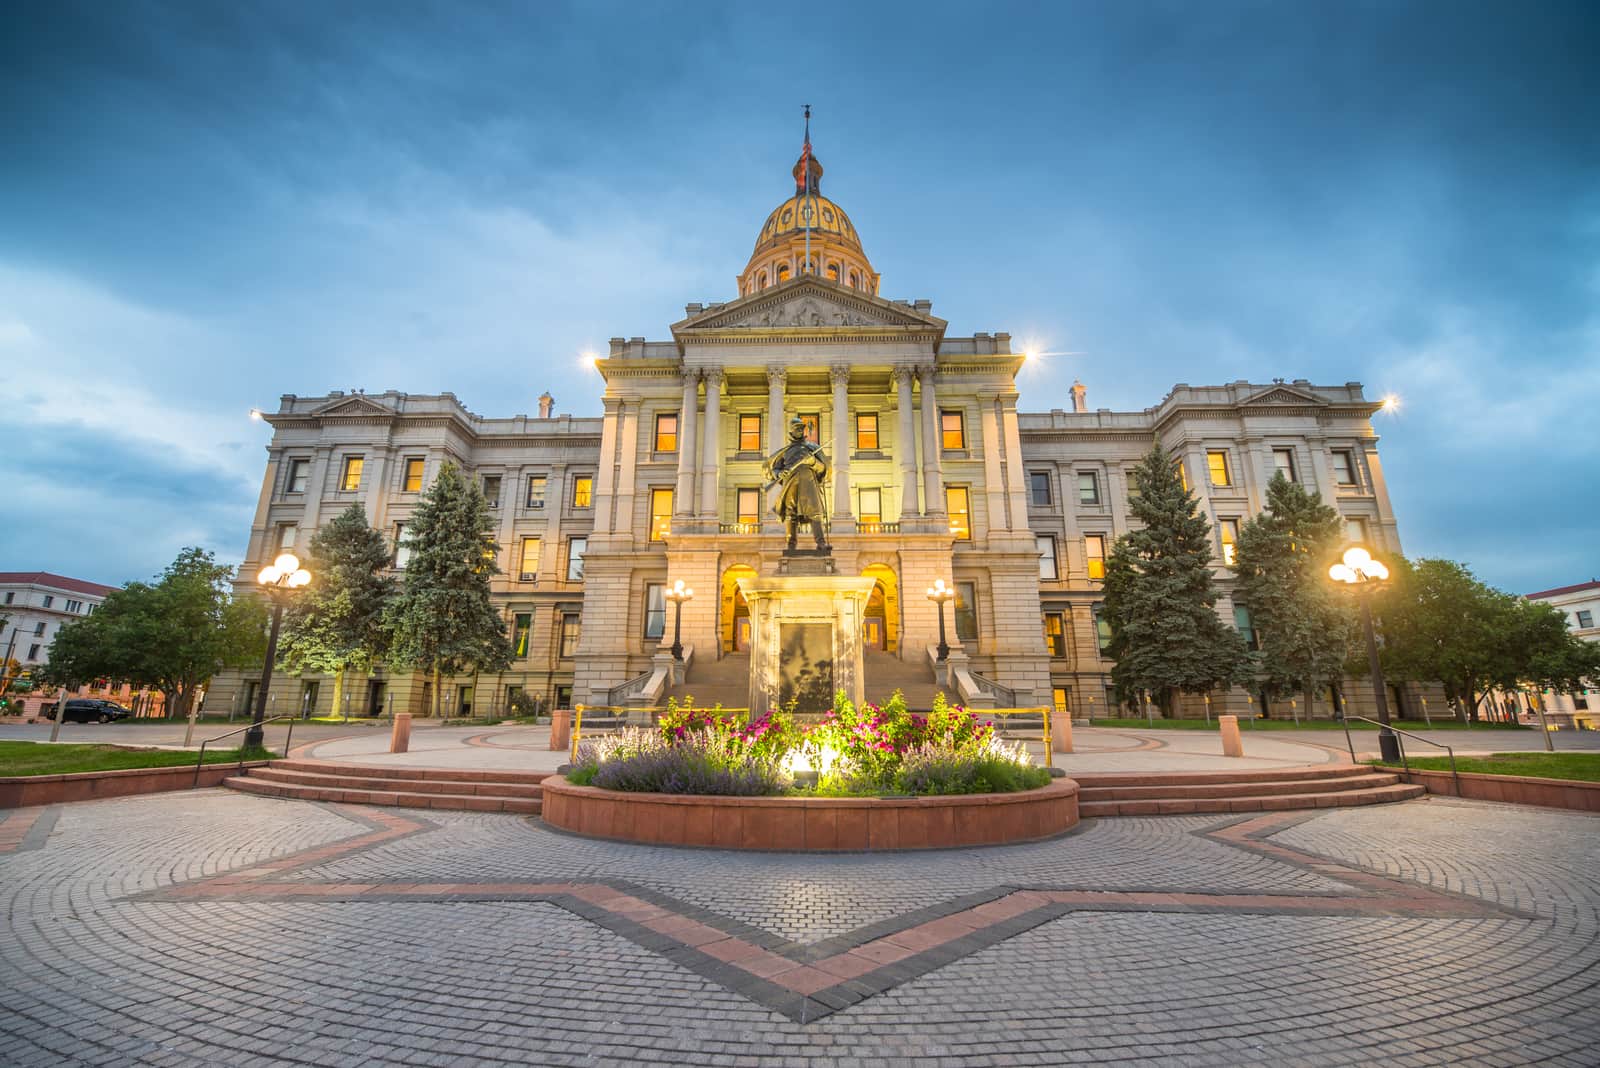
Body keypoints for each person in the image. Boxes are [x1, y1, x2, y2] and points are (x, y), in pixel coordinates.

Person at [763, 417, 829, 551]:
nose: (800, 430)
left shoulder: (813, 448)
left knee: (815, 512)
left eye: (801, 428)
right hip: (790, 484)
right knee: (790, 513)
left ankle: (821, 543)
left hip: (808, 484)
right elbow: (775, 469)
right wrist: (779, 474)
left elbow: (824, 469)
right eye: (797, 428)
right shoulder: (785, 451)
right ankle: (791, 544)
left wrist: (813, 462)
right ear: (791, 431)